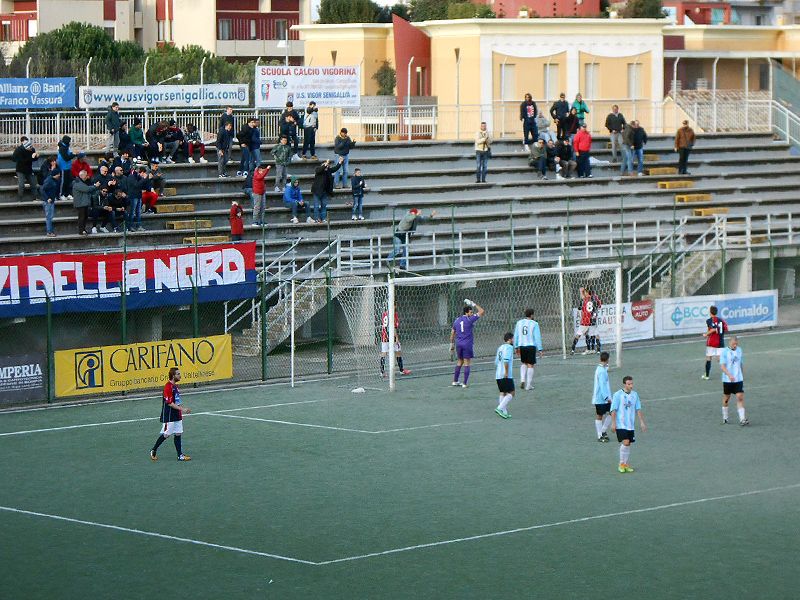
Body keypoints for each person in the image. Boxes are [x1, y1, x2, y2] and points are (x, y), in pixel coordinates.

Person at [150, 367, 192, 461]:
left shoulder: (175, 386)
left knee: (178, 433)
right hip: (169, 415)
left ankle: (180, 455)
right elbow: (169, 403)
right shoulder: (168, 387)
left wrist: (180, 409)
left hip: (177, 414)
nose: (180, 376)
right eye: (178, 374)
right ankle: (154, 450)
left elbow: (176, 401)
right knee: (167, 434)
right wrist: (183, 409)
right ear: (173, 376)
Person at [610, 375, 646, 473]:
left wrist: (642, 422)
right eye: (629, 384)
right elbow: (613, 410)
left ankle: (625, 464)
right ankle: (621, 463)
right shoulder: (618, 395)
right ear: (624, 384)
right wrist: (613, 423)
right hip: (621, 424)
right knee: (625, 442)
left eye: (632, 383)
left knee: (628, 443)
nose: (631, 386)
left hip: (630, 424)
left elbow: (638, 409)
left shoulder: (635, 395)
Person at [450, 298, 484, 388]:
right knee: (467, 363)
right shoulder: (470, 319)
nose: (472, 314)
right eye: (471, 312)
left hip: (458, 343)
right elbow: (481, 311)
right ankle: (464, 383)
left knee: (460, 361)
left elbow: (453, 332)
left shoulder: (457, 320)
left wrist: (451, 343)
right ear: (466, 313)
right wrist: (473, 304)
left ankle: (455, 381)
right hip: (467, 344)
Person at [720, 336, 747, 425]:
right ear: (730, 343)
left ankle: (742, 419)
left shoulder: (740, 350)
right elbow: (723, 366)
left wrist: (742, 374)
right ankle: (725, 417)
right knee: (727, 398)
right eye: (733, 344)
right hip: (728, 380)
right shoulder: (725, 352)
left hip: (738, 379)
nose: (735, 345)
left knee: (740, 397)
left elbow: (741, 363)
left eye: (736, 344)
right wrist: (729, 375)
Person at [513, 308, 542, 391]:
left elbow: (516, 335)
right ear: (532, 315)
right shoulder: (534, 324)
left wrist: (516, 346)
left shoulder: (519, 323)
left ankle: (522, 379)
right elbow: (537, 337)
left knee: (524, 363)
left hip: (522, 346)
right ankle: (528, 385)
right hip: (531, 346)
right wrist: (540, 349)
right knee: (530, 365)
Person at [380, 309, 411, 377]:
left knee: (384, 353)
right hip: (391, 336)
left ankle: (382, 372)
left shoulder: (385, 314)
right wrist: (396, 337)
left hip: (384, 336)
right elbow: (393, 327)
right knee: (398, 352)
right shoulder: (393, 314)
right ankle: (401, 370)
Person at [311, 157, 343, 223]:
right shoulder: (319, 170)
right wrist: (325, 164)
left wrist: (340, 162)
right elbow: (318, 170)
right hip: (317, 191)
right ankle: (317, 218)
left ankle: (324, 218)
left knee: (324, 206)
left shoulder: (328, 171)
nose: (327, 166)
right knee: (316, 206)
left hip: (324, 191)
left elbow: (335, 168)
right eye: (326, 165)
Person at [571, 286, 601, 354]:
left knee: (579, 335)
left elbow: (580, 307)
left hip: (585, 321)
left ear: (587, 292)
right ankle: (597, 350)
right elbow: (599, 305)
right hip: (592, 320)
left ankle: (573, 350)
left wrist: (582, 292)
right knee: (595, 335)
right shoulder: (595, 298)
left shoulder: (585, 299)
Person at [72, 170, 101, 236]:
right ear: (82, 176)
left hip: (84, 203)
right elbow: (87, 189)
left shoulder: (83, 182)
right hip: (80, 204)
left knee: (85, 218)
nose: (87, 177)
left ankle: (84, 229)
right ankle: (81, 231)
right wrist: (95, 186)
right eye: (86, 175)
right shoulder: (77, 183)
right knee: (81, 218)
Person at [702, 305, 728, 380]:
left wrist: (706, 334)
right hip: (720, 342)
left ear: (710, 312)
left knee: (709, 358)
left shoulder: (709, 320)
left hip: (712, 342)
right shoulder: (721, 320)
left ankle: (707, 375)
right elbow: (726, 328)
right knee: (719, 359)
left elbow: (713, 329)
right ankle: (728, 372)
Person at [592, 351, 613, 442]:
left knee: (612, 412)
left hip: (603, 398)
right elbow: (602, 385)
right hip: (601, 398)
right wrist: (606, 397)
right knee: (600, 416)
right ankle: (600, 435)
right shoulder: (601, 372)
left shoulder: (601, 368)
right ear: (608, 359)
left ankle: (603, 431)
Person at [494, 332, 515, 419]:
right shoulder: (509, 348)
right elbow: (506, 360)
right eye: (513, 339)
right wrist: (506, 372)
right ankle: (499, 408)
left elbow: (496, 361)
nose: (514, 340)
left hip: (498, 374)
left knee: (503, 392)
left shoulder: (500, 347)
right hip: (505, 374)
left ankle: (504, 412)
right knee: (512, 393)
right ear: (510, 340)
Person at [40, 168, 60, 237]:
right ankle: (49, 232)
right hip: (48, 202)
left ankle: (50, 231)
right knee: (49, 217)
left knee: (50, 217)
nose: (59, 175)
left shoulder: (53, 180)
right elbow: (42, 189)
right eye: (58, 174)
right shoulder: (49, 181)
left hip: (51, 200)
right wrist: (47, 198)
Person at [57, 135, 76, 199]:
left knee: (68, 181)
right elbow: (66, 158)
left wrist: (72, 154)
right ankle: (61, 194)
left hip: (68, 167)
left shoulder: (66, 147)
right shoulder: (62, 149)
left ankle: (67, 194)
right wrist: (73, 155)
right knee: (63, 182)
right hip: (63, 167)